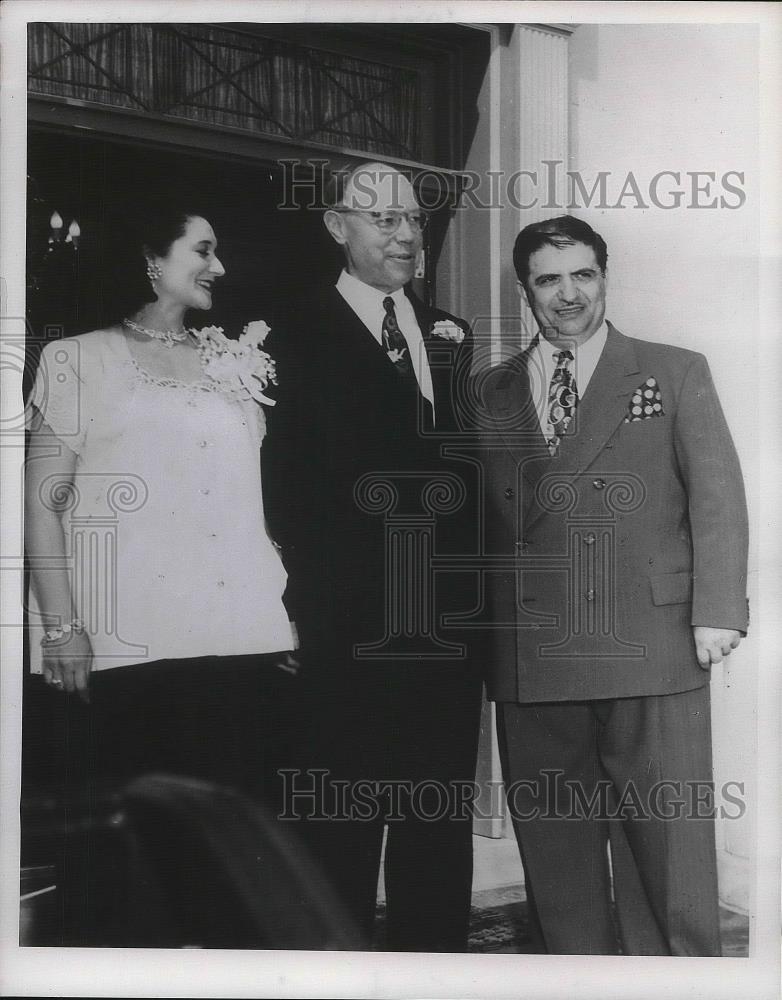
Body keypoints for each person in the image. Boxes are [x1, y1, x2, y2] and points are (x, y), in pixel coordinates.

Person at [24, 204, 299, 943]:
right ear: (151, 258)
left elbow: (250, 503)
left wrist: (280, 609)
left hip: (237, 640)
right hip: (127, 648)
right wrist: (62, 626)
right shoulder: (79, 359)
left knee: (228, 857)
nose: (220, 267)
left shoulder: (235, 364)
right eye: (203, 250)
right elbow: (39, 503)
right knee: (124, 865)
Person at [477, 215, 748, 955]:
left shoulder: (672, 369)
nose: (568, 294)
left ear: (604, 275)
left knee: (669, 855)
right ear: (525, 289)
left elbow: (718, 497)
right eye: (548, 279)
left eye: (582, 274)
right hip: (532, 650)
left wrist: (717, 610)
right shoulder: (491, 391)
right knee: (557, 858)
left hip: (652, 640)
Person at [262, 162, 483, 952]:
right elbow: (274, 492)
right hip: (342, 638)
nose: (404, 235)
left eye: (414, 221)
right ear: (335, 227)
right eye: (382, 218)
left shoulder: (450, 336)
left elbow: (472, 486)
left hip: (446, 646)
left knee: (437, 843)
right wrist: (292, 615)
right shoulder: (284, 335)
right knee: (339, 844)